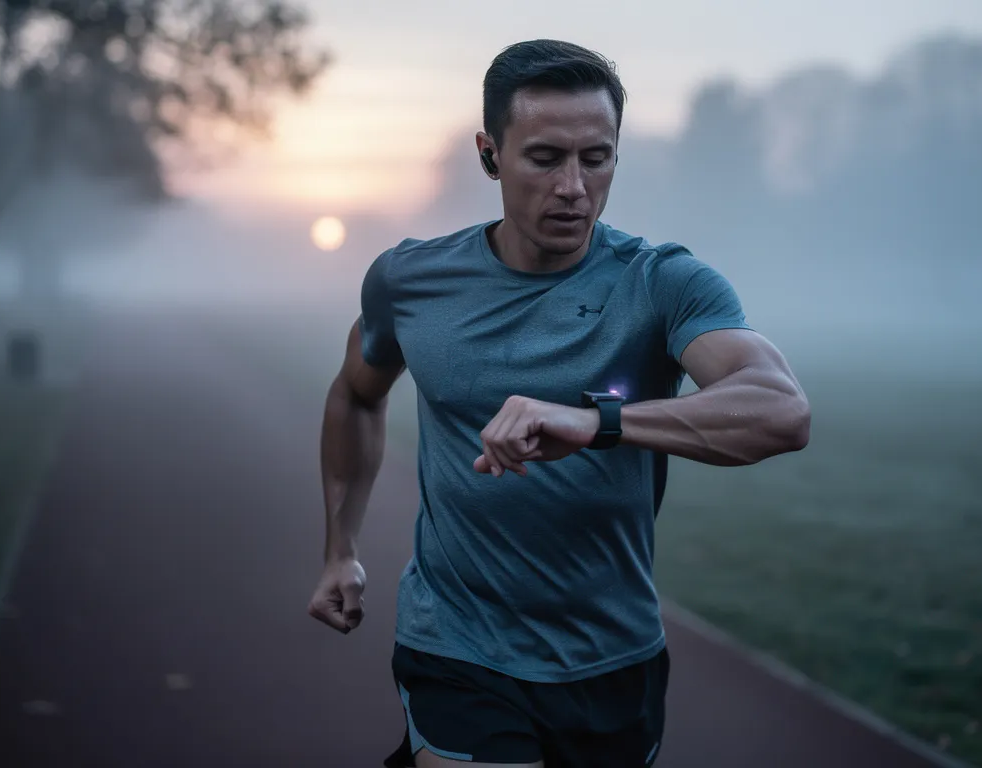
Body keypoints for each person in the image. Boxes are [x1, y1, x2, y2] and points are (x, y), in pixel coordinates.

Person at [307, 39, 811, 768]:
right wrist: (339, 550)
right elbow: (357, 395)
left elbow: (780, 411)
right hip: (458, 644)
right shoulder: (410, 282)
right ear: (491, 154)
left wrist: (597, 422)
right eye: (545, 158)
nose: (573, 186)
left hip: (613, 657)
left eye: (596, 157)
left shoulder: (662, 283)